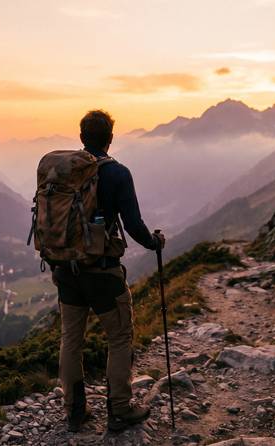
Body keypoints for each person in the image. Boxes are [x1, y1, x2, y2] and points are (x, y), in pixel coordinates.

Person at [53, 110, 165, 433]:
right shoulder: (117, 173)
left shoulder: (65, 173)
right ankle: (119, 409)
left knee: (70, 339)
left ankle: (74, 411)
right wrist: (154, 243)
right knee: (119, 337)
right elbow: (133, 225)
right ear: (111, 138)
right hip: (102, 273)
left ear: (81, 137)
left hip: (66, 271)